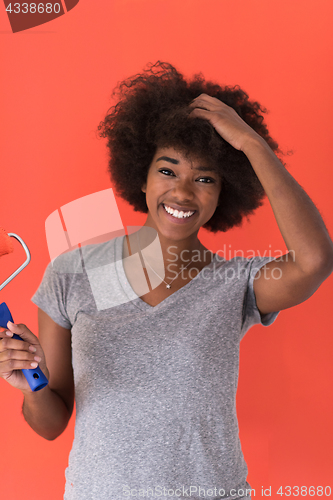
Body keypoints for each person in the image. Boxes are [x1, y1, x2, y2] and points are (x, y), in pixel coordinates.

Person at [1, 61, 333, 500]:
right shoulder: (71, 273)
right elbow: (51, 424)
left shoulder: (236, 281)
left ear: (223, 192)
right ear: (141, 175)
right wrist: (32, 384)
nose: (182, 192)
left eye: (205, 178)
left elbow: (314, 261)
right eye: (167, 170)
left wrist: (251, 145)